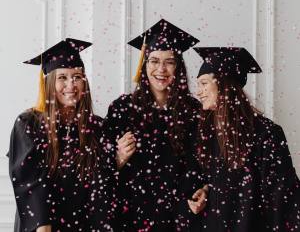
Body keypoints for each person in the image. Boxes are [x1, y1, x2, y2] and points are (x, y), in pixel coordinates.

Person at [103, 18, 208, 232]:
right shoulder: (123, 108)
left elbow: (206, 163)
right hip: (131, 215)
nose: (161, 69)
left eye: (169, 62)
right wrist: (118, 157)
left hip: (182, 215)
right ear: (144, 64)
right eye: (153, 61)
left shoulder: (194, 111)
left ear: (178, 67)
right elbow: (99, 167)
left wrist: (205, 189)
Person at [8, 38, 116, 232]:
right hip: (44, 225)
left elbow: (100, 182)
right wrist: (43, 225)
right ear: (49, 83)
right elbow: (30, 181)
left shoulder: (97, 127)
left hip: (82, 222)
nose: (71, 84)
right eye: (62, 77)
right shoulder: (28, 124)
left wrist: (118, 160)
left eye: (77, 77)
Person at [193, 46, 300, 231]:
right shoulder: (209, 133)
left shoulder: (266, 133)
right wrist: (206, 190)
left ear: (224, 85)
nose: (198, 91)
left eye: (204, 83)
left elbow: (283, 199)